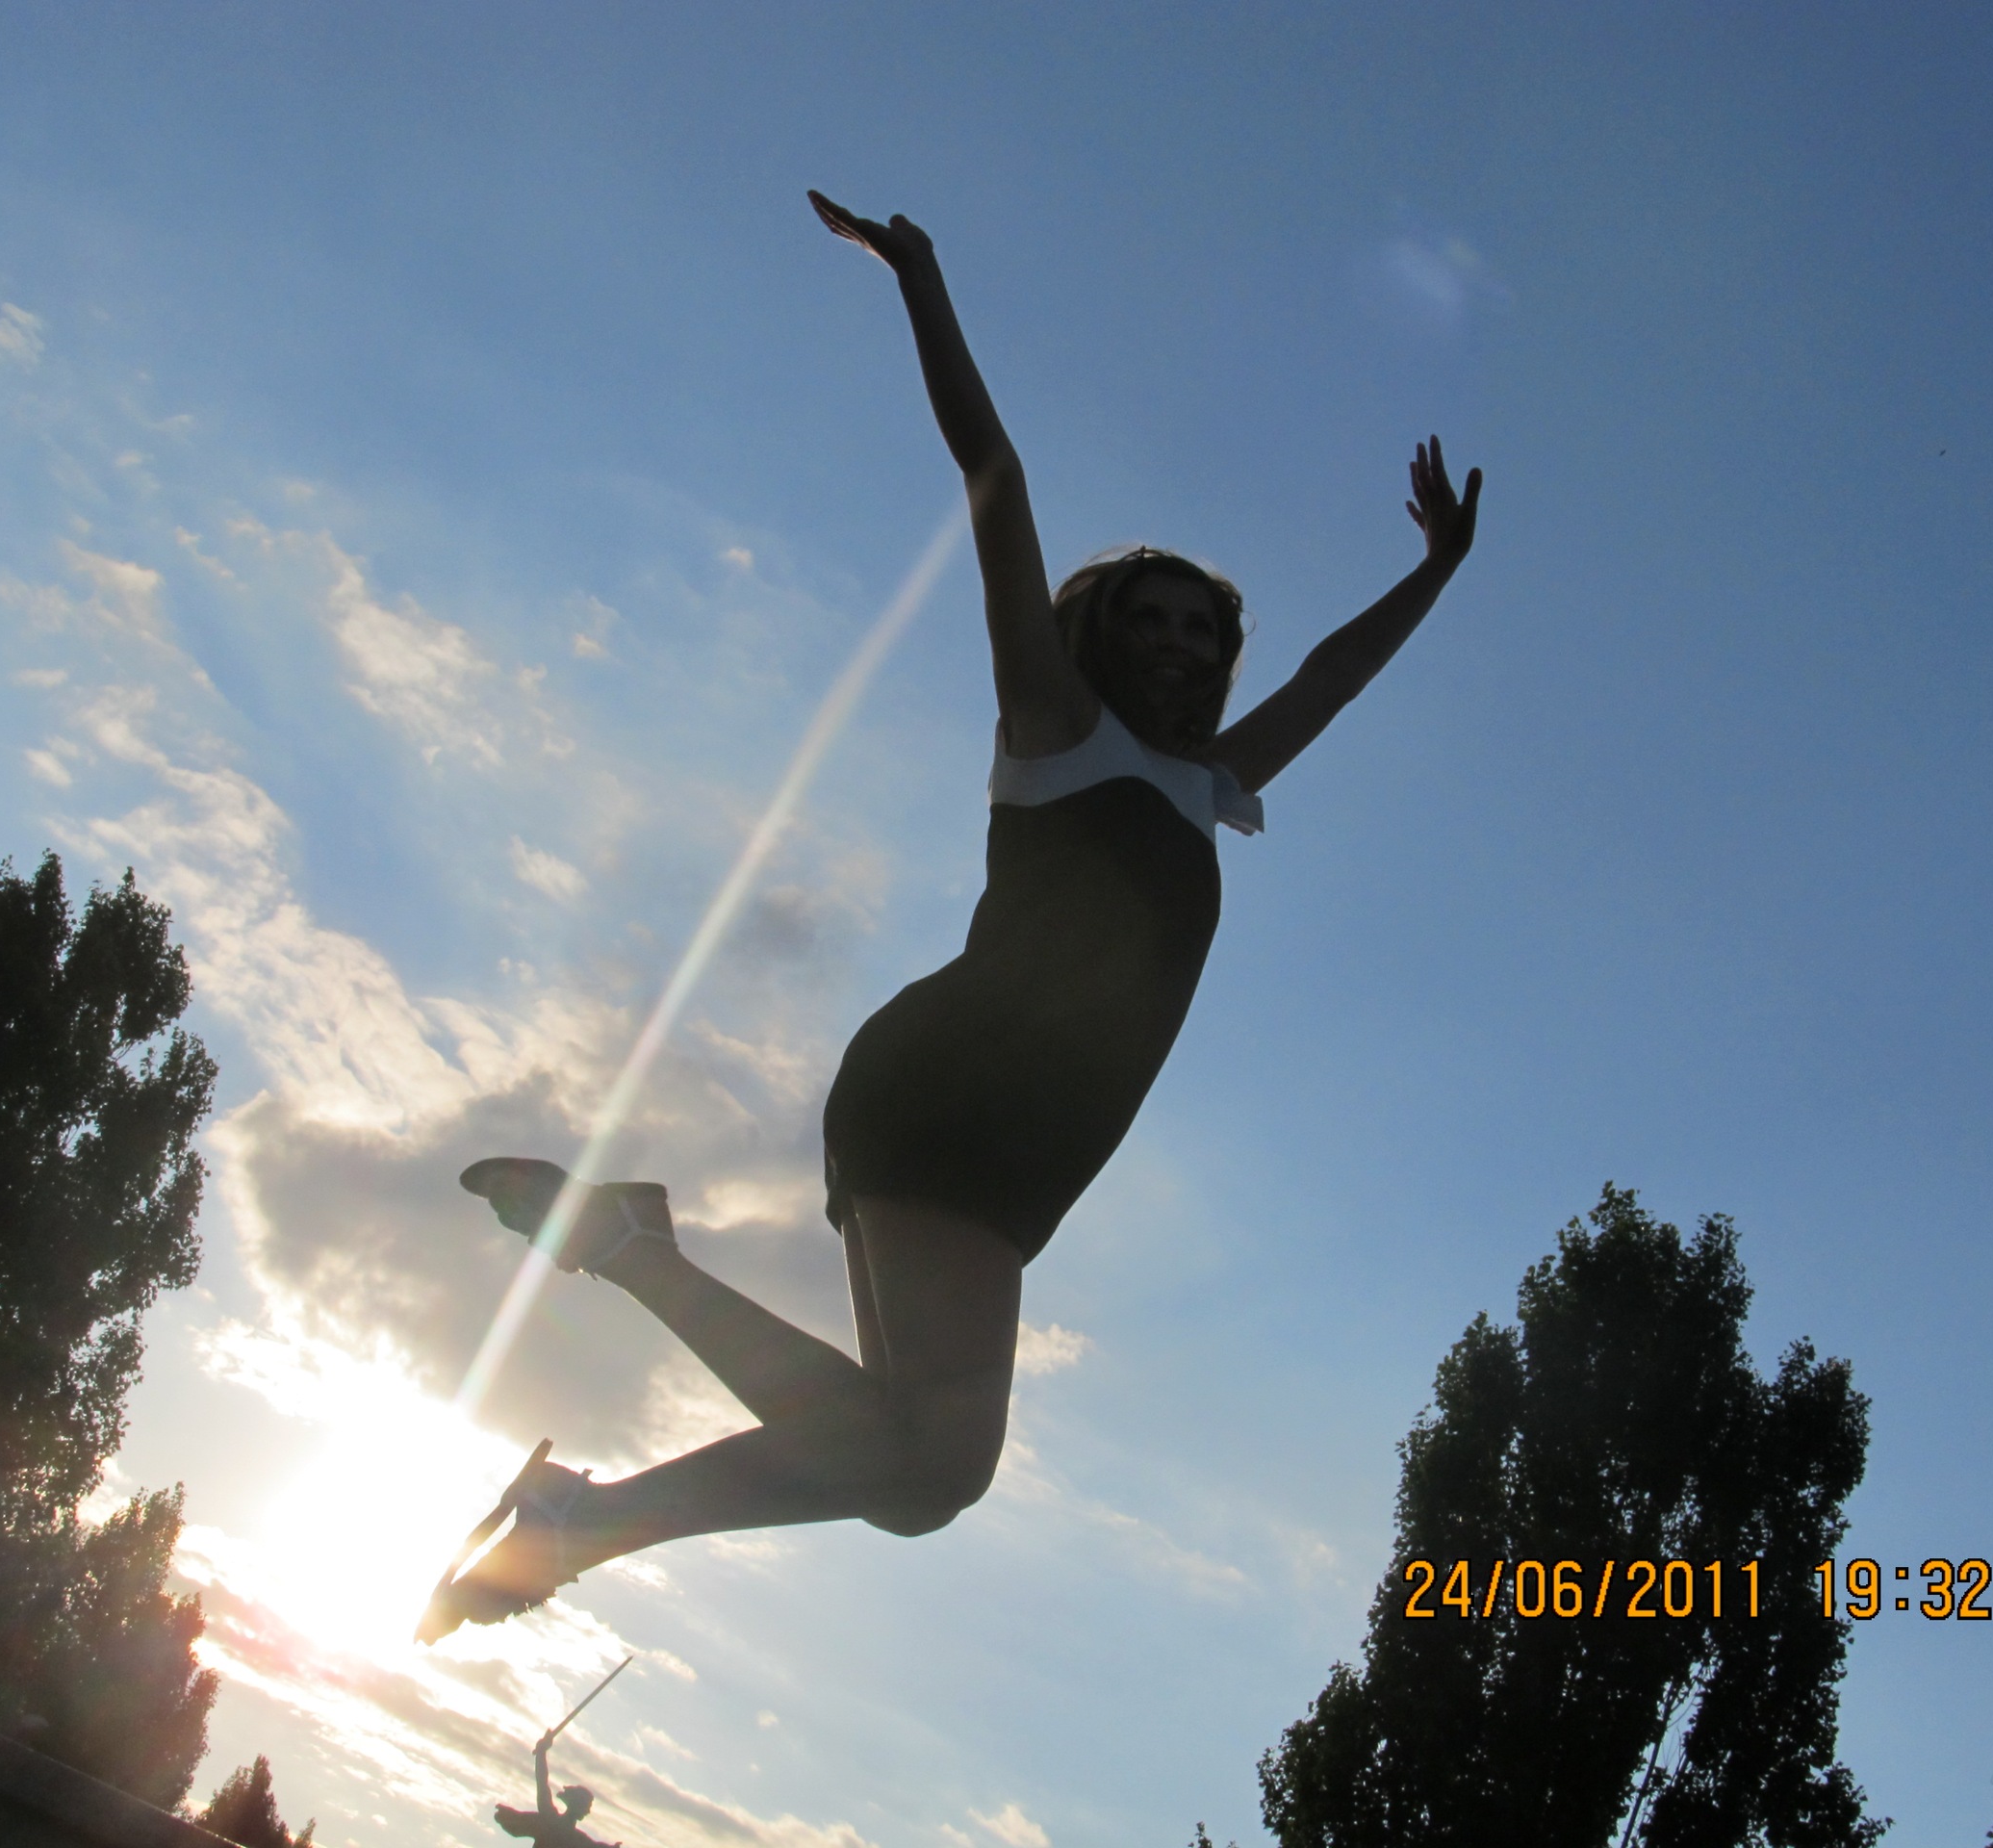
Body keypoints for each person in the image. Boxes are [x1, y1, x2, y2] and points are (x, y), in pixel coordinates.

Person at [420, 192, 1480, 1636]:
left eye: (1205, 628)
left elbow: (1334, 677)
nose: (1181, 643)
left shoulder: (1212, 783)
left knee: (916, 1469)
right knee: (931, 1467)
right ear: (1103, 632)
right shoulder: (1054, 727)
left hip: (1040, 1141)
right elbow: (994, 471)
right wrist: (918, 277)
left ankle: (587, 1449)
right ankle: (604, 1362)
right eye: (1153, 617)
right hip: (960, 1085)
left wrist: (1433, 571)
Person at [493, 1732, 617, 1848]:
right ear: (576, 1804)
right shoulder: (553, 1821)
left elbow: (595, 1846)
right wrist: (541, 1752)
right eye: (586, 1806)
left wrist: (541, 1751)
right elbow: (542, 1781)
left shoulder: (574, 1836)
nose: (588, 1811)